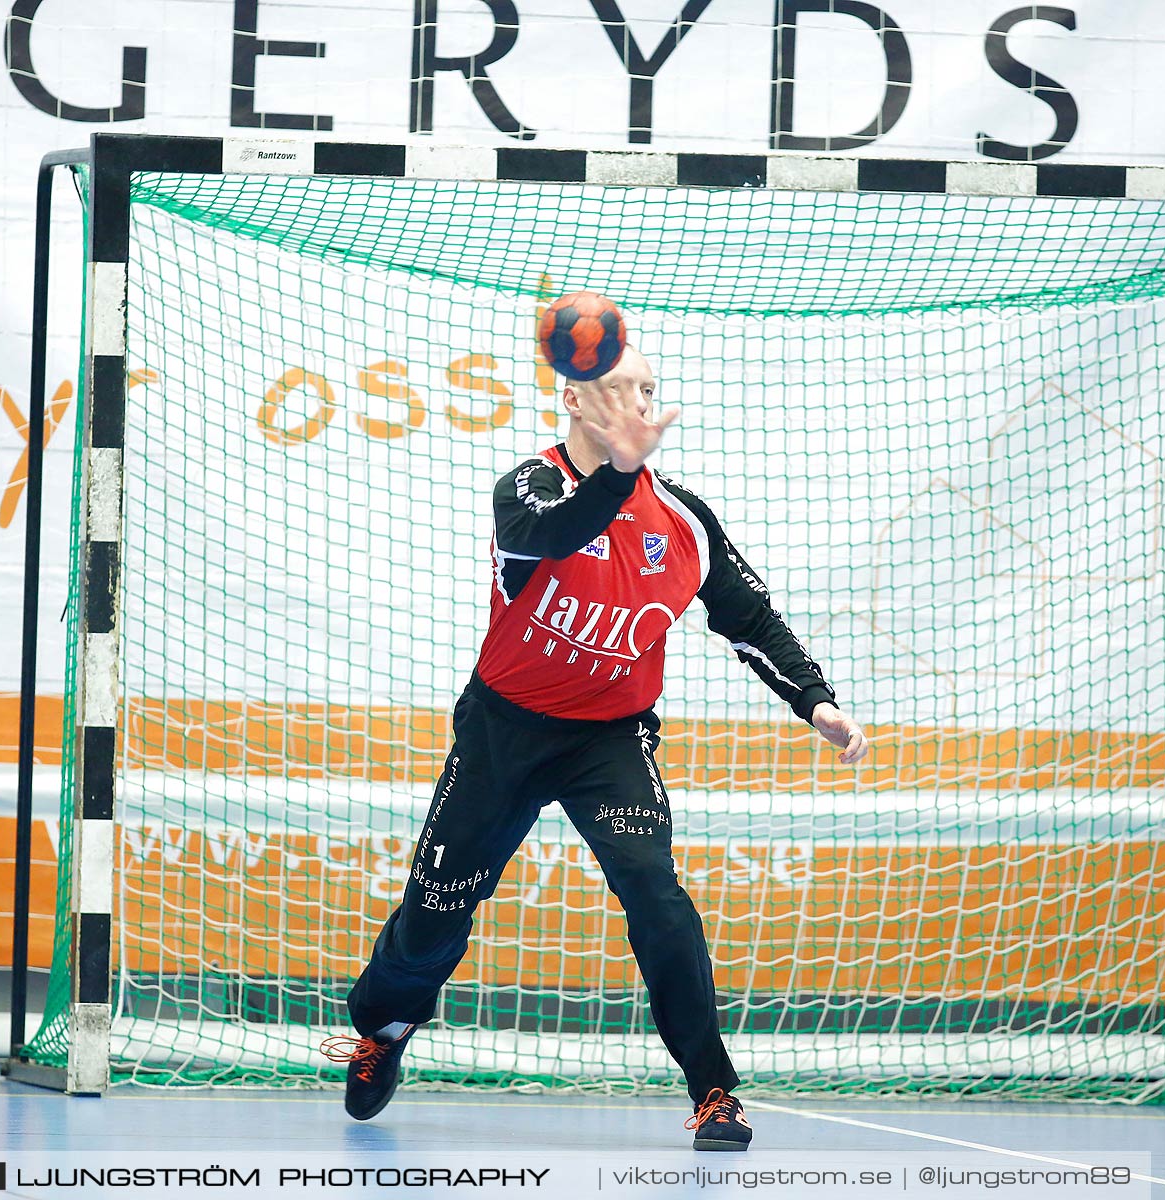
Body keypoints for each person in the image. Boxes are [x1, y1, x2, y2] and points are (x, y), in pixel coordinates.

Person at [322, 346, 869, 1151]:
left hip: (610, 738)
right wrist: (616, 472)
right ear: (574, 399)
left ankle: (713, 1090)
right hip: (504, 730)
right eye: (620, 390)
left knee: (655, 889)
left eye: (649, 391)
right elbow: (551, 536)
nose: (640, 404)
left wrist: (813, 700)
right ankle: (387, 1028)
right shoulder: (530, 487)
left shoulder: (681, 518)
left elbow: (747, 616)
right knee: (437, 905)